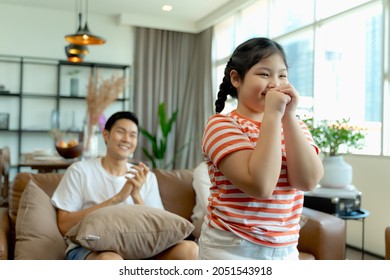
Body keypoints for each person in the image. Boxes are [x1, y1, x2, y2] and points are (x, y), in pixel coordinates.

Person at [199, 37, 324, 260]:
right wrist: (274, 115)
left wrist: (288, 117)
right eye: (264, 74)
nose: (275, 83)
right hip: (232, 247)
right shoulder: (221, 125)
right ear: (236, 79)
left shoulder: (295, 125)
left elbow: (307, 181)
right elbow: (261, 185)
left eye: (282, 75)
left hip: (285, 248)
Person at [51, 111, 198, 260]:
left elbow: (158, 228)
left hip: (139, 248)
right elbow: (64, 225)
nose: (127, 139)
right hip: (91, 248)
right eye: (121, 132)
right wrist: (117, 199)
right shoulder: (79, 171)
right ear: (106, 135)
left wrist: (136, 195)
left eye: (133, 135)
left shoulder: (147, 177)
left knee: (190, 249)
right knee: (111, 260)